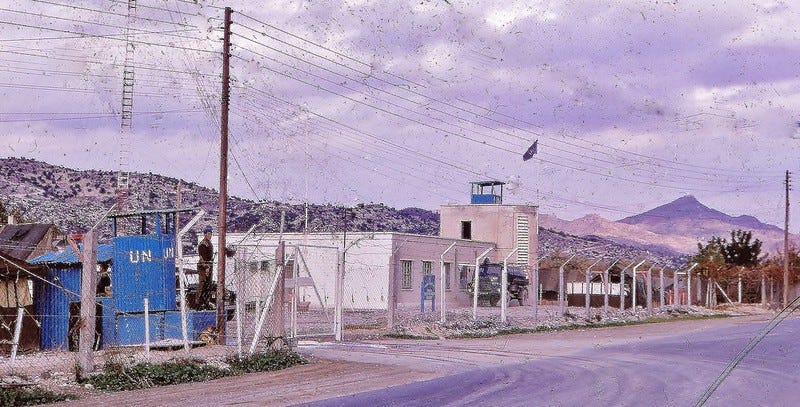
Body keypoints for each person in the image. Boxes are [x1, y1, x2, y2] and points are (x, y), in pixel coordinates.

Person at [195, 226, 214, 310]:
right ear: (205, 234)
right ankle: (197, 303)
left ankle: (206, 302)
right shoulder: (203, 244)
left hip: (209, 265)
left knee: (208, 285)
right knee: (202, 284)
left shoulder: (209, 243)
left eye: (211, 234)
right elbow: (202, 258)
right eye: (209, 234)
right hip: (203, 266)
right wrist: (206, 267)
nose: (210, 235)